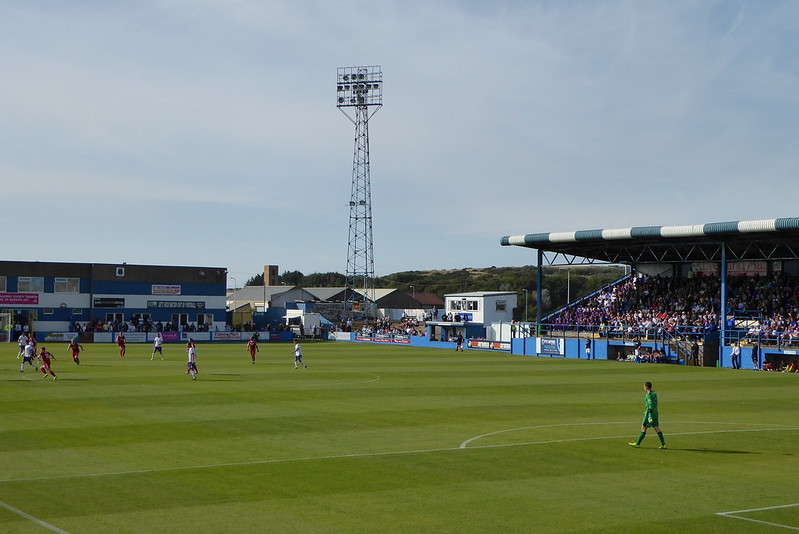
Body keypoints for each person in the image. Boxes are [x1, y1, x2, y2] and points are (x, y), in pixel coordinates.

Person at [629, 381, 666, 449]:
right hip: (655, 412)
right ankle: (663, 444)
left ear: (646, 387)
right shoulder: (654, 393)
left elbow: (650, 405)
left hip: (650, 413)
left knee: (643, 428)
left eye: (644, 386)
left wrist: (649, 414)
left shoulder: (649, 395)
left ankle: (637, 443)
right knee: (656, 428)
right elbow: (655, 404)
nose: (643, 388)